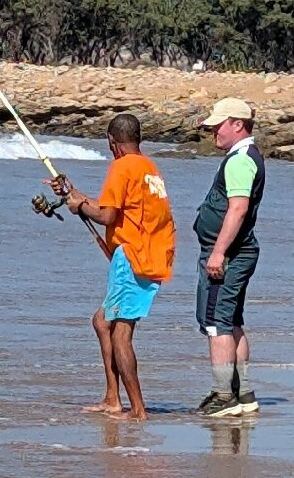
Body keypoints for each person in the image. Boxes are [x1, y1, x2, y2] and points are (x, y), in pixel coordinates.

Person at [48, 113, 176, 421]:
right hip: (152, 255)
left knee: (120, 333)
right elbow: (114, 210)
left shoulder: (121, 167)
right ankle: (112, 398)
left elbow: (104, 217)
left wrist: (80, 207)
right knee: (101, 321)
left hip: (133, 257)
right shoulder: (148, 168)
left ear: (110, 140)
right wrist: (72, 194)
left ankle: (137, 409)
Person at [194, 97, 265, 418]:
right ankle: (242, 392)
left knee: (216, 323)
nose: (213, 133)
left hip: (229, 254)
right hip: (237, 251)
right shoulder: (243, 157)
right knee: (231, 321)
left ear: (238, 124)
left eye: (218, 126)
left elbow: (238, 208)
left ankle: (225, 395)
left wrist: (218, 252)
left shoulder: (240, 161)